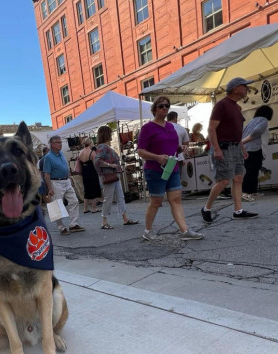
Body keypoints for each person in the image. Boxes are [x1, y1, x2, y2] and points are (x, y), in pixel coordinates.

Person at [137, 96, 204, 241]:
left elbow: (173, 147)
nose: (165, 108)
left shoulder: (170, 127)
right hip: (155, 170)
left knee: (176, 199)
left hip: (172, 167)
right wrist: (157, 157)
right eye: (161, 106)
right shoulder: (147, 128)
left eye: (167, 106)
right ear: (155, 109)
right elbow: (140, 151)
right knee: (156, 201)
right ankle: (148, 231)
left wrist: (181, 148)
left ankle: (184, 231)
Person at [201, 77, 259, 223]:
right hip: (224, 147)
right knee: (223, 180)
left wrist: (242, 148)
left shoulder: (237, 107)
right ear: (235, 88)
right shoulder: (222, 105)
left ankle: (238, 211)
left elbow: (236, 131)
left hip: (235, 148)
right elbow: (211, 128)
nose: (247, 89)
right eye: (244, 86)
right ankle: (206, 208)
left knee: (238, 178)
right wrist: (216, 149)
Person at [93, 125, 139, 229]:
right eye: (110, 133)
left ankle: (125, 219)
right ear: (106, 134)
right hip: (109, 176)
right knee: (109, 198)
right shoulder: (103, 147)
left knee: (119, 197)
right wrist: (110, 165)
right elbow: (97, 161)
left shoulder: (103, 147)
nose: (111, 135)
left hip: (112, 176)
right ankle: (104, 222)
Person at [42, 135, 85, 235]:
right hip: (56, 182)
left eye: (61, 142)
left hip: (66, 181)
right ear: (52, 145)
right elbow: (46, 174)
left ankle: (73, 224)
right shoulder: (48, 157)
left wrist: (70, 179)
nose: (60, 144)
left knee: (74, 201)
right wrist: (49, 188)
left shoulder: (61, 153)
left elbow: (66, 167)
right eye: (58, 142)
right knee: (56, 205)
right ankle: (61, 227)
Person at [241, 105, 274, 202]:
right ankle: (245, 192)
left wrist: (242, 143)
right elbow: (257, 131)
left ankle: (252, 192)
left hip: (247, 149)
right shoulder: (264, 120)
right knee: (251, 171)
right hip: (255, 149)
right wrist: (243, 142)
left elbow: (243, 132)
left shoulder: (252, 121)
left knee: (253, 170)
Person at [77, 138, 102, 213]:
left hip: (84, 172)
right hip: (92, 172)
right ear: (90, 143)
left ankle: (85, 208)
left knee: (87, 190)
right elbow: (95, 164)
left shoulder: (80, 152)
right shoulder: (92, 152)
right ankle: (94, 208)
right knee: (94, 189)